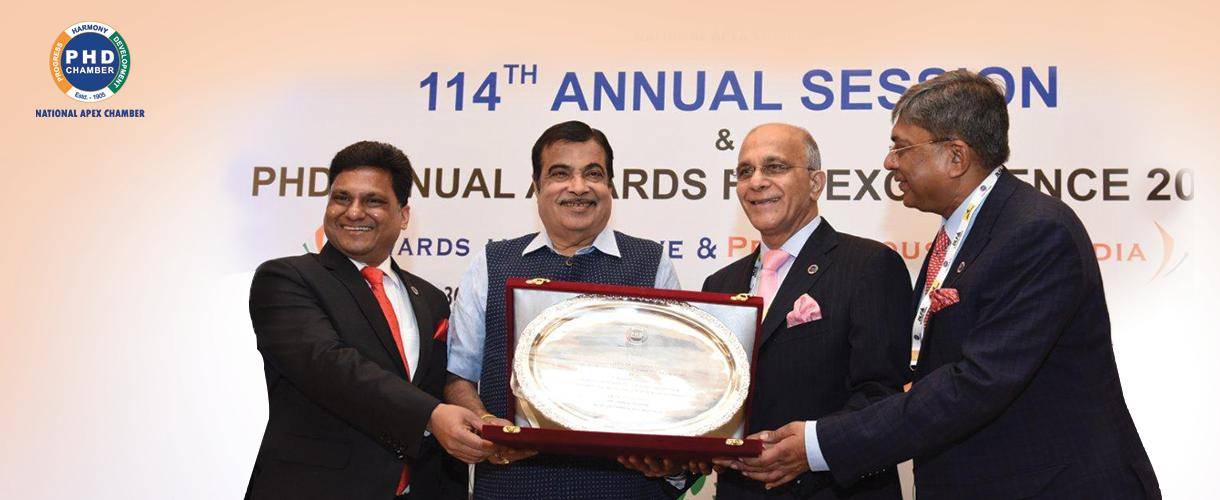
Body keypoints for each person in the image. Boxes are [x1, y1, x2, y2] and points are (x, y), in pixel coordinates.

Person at [735, 70, 1161, 499]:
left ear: (956, 156)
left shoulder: (1035, 231)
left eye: (902, 147)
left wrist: (820, 444)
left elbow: (978, 381)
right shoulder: (961, 236)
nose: (889, 162)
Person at [444, 120, 687, 499]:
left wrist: (670, 453)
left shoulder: (652, 263)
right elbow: (459, 377)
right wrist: (487, 424)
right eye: (560, 174)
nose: (578, 187)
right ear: (537, 186)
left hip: (625, 488)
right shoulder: (492, 263)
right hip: (513, 486)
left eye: (594, 174)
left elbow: (678, 381)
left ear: (611, 185)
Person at [246, 141, 475, 499]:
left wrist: (486, 424)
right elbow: (330, 367)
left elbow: (443, 384)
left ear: (403, 215)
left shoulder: (430, 299)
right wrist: (431, 415)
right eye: (341, 198)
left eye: (373, 201)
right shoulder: (286, 278)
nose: (353, 212)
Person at [699, 123, 912, 499]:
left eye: (775, 167)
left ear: (816, 183)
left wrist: (812, 449)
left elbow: (881, 397)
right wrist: (679, 454)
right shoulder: (719, 285)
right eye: (745, 171)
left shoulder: (869, 265)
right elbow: (711, 405)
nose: (756, 181)